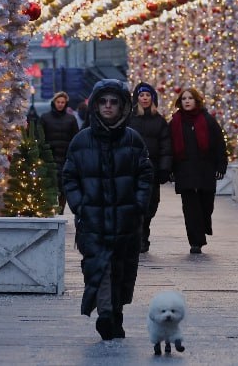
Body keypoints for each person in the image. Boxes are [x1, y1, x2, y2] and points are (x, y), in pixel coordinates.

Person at [62, 79, 154, 341]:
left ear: (123, 105)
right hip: (93, 221)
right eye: (103, 101)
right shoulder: (81, 141)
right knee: (99, 269)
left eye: (114, 102)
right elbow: (69, 176)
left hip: (126, 222)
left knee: (122, 271)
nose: (108, 106)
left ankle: (116, 312)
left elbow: (145, 175)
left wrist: (138, 204)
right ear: (95, 105)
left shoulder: (133, 139)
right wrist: (79, 204)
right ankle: (105, 315)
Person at [167, 87, 228, 255]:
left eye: (190, 98)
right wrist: (169, 169)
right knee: (190, 208)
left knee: (206, 206)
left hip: (205, 170)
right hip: (184, 170)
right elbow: (169, 148)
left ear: (196, 101)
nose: (187, 101)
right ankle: (195, 241)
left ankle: (203, 226)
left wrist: (221, 166)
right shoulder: (175, 122)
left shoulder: (208, 120)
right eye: (184, 98)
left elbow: (219, 144)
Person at [129, 82, 173, 253]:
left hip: (152, 170)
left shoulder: (160, 121)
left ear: (152, 98)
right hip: (132, 170)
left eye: (148, 95)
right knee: (133, 204)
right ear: (137, 98)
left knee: (151, 204)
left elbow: (166, 147)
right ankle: (137, 238)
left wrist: (164, 169)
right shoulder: (130, 119)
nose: (145, 98)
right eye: (141, 95)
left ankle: (144, 233)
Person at [40, 91, 80, 213]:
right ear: (54, 102)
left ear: (66, 103)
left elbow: (75, 138)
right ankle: (51, 212)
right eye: (58, 102)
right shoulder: (45, 118)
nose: (60, 104)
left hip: (65, 158)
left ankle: (61, 212)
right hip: (49, 158)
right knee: (50, 187)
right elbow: (40, 137)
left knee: (63, 188)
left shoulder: (71, 119)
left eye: (63, 102)